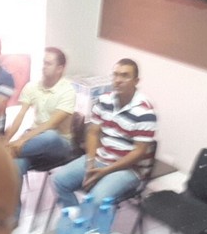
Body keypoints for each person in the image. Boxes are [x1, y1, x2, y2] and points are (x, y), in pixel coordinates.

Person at [52, 58, 156, 208]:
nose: (118, 80)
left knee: (95, 200)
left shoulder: (145, 111)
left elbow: (139, 152)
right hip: (102, 157)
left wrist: (104, 172)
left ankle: (87, 220)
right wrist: (90, 163)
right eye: (115, 75)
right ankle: (75, 217)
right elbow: (93, 133)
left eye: (125, 76)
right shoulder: (104, 100)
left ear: (136, 81)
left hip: (128, 169)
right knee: (59, 181)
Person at [4, 47, 76, 177]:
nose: (43, 66)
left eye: (48, 64)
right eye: (43, 62)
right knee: (16, 166)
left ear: (59, 68)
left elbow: (51, 124)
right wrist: (6, 139)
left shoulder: (67, 91)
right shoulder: (32, 86)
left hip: (59, 145)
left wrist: (22, 140)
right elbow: (20, 114)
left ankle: (1, 153)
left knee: (50, 135)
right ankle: (7, 152)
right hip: (35, 139)